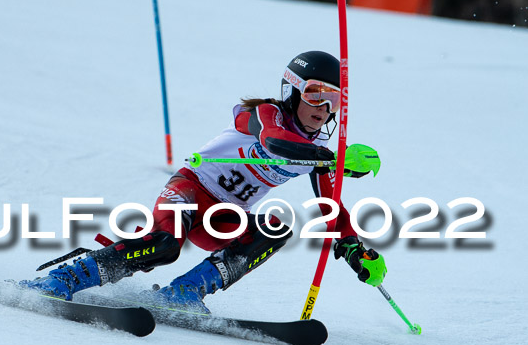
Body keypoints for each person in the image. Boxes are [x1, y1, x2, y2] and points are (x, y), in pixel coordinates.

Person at [20, 50, 387, 313]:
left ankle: (184, 294)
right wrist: (333, 158)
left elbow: (331, 207)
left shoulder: (318, 147)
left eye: (332, 102)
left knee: (275, 230)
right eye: (314, 95)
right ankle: (61, 280)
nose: (322, 110)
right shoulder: (262, 113)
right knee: (164, 245)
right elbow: (275, 141)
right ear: (292, 91)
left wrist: (356, 250)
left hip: (224, 216)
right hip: (189, 190)